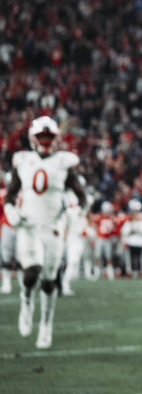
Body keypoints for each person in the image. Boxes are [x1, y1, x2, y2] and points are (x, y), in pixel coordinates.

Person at [5, 116, 89, 349]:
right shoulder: (23, 161)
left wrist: (76, 211)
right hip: (29, 226)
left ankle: (45, 325)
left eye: (49, 137)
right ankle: (26, 300)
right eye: (42, 137)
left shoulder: (64, 163)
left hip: (52, 227)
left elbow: (82, 197)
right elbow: (10, 195)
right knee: (31, 273)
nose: (45, 141)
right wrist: (11, 211)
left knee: (50, 280)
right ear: (33, 138)